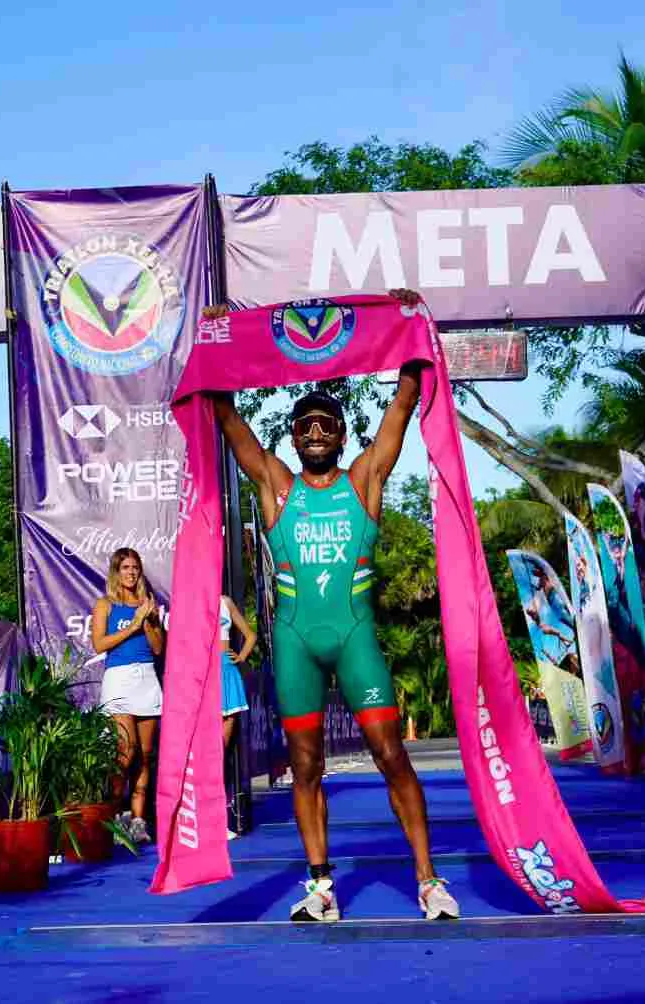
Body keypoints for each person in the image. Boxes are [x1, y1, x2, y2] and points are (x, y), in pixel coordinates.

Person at [205, 289, 460, 923]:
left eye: (327, 424)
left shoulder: (364, 480)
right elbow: (225, 413)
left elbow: (406, 399)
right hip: (295, 641)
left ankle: (428, 881)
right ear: (292, 436)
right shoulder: (274, 485)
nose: (316, 432)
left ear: (341, 435)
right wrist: (215, 338)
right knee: (304, 765)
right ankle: (320, 886)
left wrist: (408, 324)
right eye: (305, 424)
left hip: (354, 638)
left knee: (390, 753)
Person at [91, 548, 164, 844]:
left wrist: (147, 621)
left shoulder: (149, 605)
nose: (131, 573)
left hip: (146, 677)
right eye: (125, 568)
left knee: (145, 756)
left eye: (135, 567)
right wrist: (132, 624)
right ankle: (115, 810)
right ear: (116, 572)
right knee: (126, 751)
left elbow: (159, 649)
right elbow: (99, 644)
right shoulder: (105, 604)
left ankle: (137, 820)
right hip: (119, 679)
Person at [219, 593, 256, 841]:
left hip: (227, 672)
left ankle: (220, 820)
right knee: (205, 752)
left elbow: (250, 635)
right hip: (202, 673)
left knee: (220, 752)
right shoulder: (189, 597)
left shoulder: (226, 601)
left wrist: (241, 656)